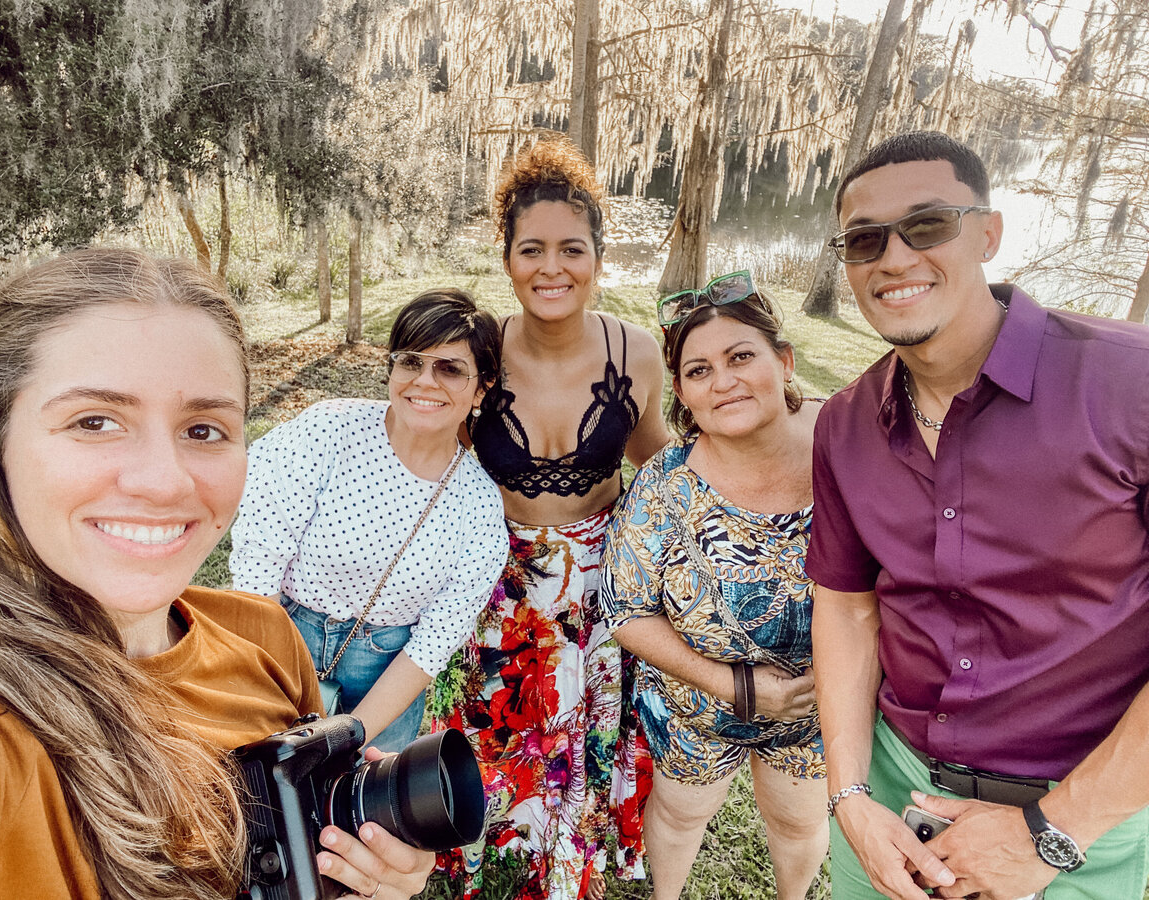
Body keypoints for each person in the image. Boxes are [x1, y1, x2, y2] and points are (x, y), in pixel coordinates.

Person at [0, 248, 434, 900]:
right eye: (95, 421)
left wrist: (366, 884)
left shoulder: (264, 638)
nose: (164, 482)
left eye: (203, 429)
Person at [808, 130, 1149, 900]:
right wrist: (851, 797)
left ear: (988, 233)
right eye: (865, 240)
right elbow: (847, 610)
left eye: (926, 224)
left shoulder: (1129, 384)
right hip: (894, 800)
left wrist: (1054, 832)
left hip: (1085, 821)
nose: (893, 258)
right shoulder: (844, 424)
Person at [429, 137, 671, 900]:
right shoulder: (479, 351)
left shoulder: (637, 352)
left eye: (572, 248)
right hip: (499, 580)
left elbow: (660, 462)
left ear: (600, 256)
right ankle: (491, 837)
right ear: (506, 258)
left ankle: (571, 856)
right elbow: (427, 448)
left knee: (591, 734)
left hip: (603, 583)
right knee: (504, 727)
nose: (552, 267)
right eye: (531, 249)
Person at [600, 272, 828, 900]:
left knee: (799, 819)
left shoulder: (848, 449)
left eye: (741, 356)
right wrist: (735, 685)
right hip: (700, 704)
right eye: (699, 370)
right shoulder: (664, 486)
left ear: (783, 361)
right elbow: (624, 609)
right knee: (680, 814)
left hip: (817, 705)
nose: (723, 381)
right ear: (681, 392)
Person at [230, 288, 508, 752]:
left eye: (451, 369)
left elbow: (431, 645)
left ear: (483, 387)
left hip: (385, 674)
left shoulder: (478, 508)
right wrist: (265, 681)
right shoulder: (328, 431)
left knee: (359, 809)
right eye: (411, 362)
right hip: (276, 633)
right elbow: (259, 559)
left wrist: (350, 734)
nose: (425, 381)